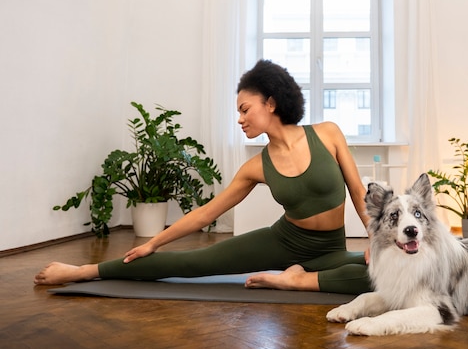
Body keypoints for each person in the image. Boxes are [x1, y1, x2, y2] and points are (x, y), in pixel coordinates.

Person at [35, 59, 372, 295]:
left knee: (391, 275)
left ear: (271, 102)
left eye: (244, 109)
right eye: (237, 113)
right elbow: (207, 214)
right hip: (283, 240)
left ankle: (297, 280)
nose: (240, 119)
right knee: (191, 263)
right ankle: (84, 272)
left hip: (330, 250)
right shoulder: (256, 167)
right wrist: (153, 242)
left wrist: (378, 242)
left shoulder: (328, 133)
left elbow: (359, 192)